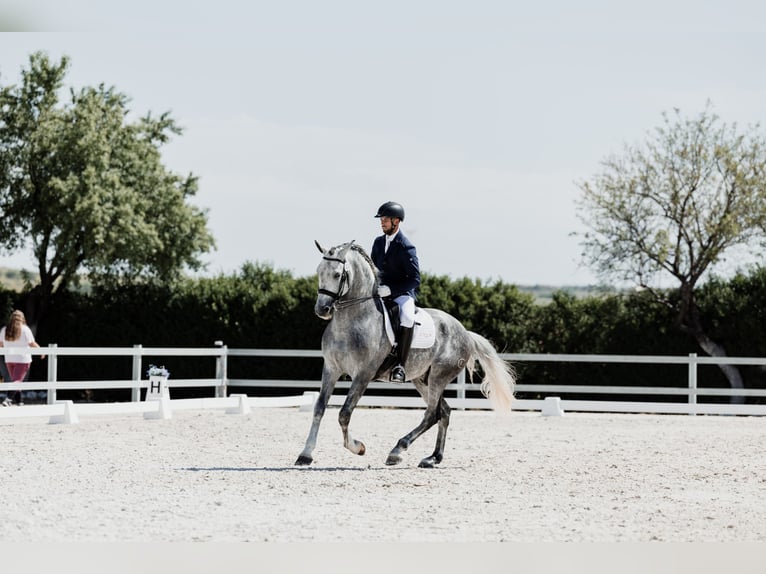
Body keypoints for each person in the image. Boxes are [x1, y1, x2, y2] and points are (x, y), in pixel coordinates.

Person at [370, 201, 421, 383]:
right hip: (379, 292)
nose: (382, 222)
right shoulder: (378, 243)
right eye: (381, 219)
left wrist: (391, 289)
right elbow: (372, 269)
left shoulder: (406, 247)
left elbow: (415, 279)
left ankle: (400, 365)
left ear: (396, 221)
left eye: (385, 219)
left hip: (401, 294)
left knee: (407, 317)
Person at [0, 310, 42, 406]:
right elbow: (32, 343)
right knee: (17, 381)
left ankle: (19, 401)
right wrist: (41, 351)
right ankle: (8, 399)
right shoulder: (25, 329)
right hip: (23, 360)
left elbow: (1, 345)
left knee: (15, 380)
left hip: (9, 359)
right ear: (22, 319)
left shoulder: (5, 329)